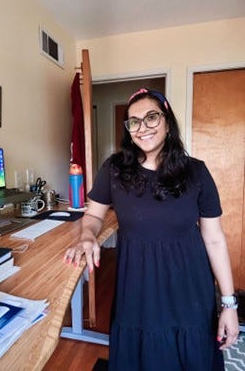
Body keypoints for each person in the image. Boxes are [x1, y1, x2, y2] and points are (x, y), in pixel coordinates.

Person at [64, 88, 239, 370]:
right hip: (137, 287)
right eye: (134, 121)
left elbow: (215, 239)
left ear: (167, 122)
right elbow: (93, 216)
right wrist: (87, 235)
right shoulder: (114, 170)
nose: (142, 128)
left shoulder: (197, 173)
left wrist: (229, 305)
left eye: (151, 117)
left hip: (189, 288)